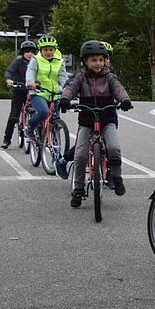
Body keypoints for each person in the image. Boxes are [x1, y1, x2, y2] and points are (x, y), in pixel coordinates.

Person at [56, 40, 133, 207]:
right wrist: (65, 99)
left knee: (113, 147)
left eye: (100, 59)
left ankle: (117, 177)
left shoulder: (110, 77)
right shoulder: (80, 77)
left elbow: (119, 89)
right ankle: (78, 188)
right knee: (80, 153)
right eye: (93, 60)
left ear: (105, 60)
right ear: (85, 61)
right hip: (87, 120)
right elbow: (70, 88)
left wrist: (125, 100)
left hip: (107, 119)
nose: (98, 63)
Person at [24, 35, 69, 138]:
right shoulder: (36, 60)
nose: (48, 52)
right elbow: (30, 71)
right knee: (44, 112)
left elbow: (63, 76)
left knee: (56, 119)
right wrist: (30, 83)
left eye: (51, 50)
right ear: (41, 50)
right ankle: (30, 127)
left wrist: (67, 88)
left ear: (55, 50)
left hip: (54, 93)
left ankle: (54, 142)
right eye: (46, 50)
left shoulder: (59, 61)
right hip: (38, 92)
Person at [1, 40, 38, 148]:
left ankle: (35, 135)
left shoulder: (36, 62)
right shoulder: (18, 61)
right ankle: (6, 139)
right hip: (18, 91)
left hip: (31, 91)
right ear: (23, 53)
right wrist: (9, 79)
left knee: (35, 112)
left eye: (32, 52)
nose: (30, 54)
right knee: (14, 116)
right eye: (27, 52)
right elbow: (9, 71)